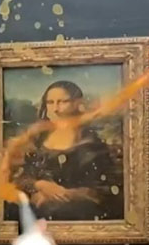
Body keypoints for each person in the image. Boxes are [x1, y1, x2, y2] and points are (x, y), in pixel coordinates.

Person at [13, 80, 123, 221]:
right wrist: (40, 185)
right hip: (38, 208)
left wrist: (66, 195)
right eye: (50, 102)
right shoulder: (39, 139)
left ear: (77, 103)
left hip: (79, 211)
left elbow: (106, 188)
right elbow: (22, 177)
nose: (55, 108)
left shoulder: (91, 142)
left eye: (62, 101)